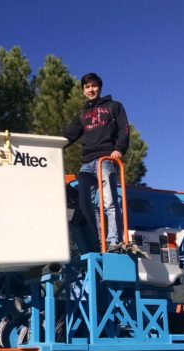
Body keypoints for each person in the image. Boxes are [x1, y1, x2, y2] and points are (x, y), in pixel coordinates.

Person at [63, 72, 129, 252]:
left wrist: (118, 149)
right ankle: (100, 240)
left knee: (109, 202)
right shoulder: (82, 114)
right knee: (87, 204)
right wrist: (49, 147)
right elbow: (68, 136)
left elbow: (124, 129)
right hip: (87, 163)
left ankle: (113, 240)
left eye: (93, 86)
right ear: (83, 91)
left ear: (99, 87)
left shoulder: (113, 106)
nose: (90, 90)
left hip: (105, 158)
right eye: (87, 87)